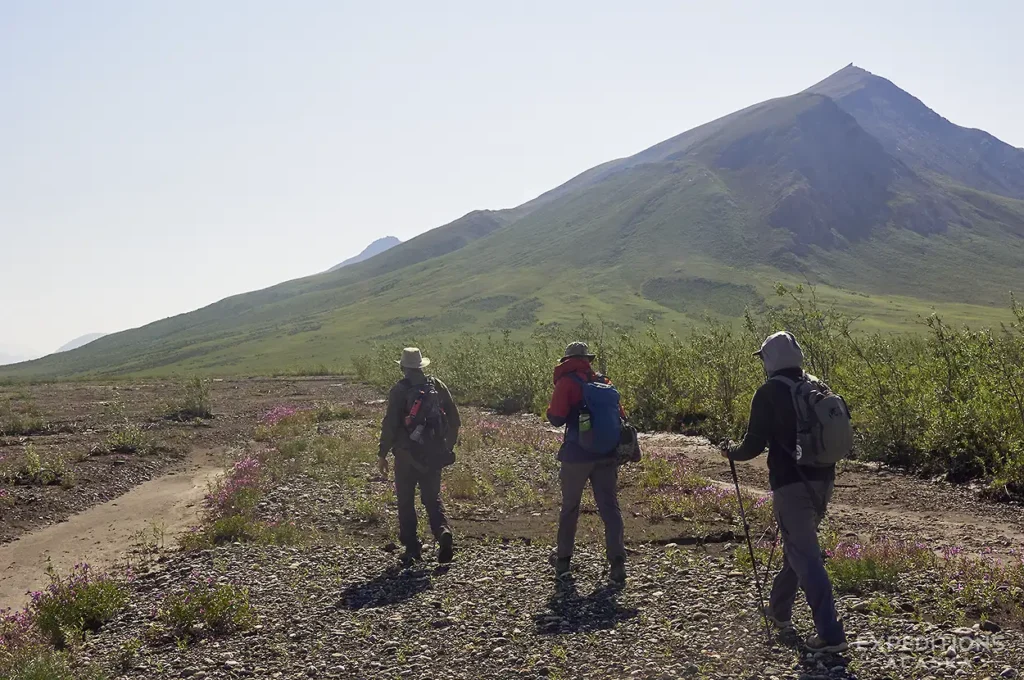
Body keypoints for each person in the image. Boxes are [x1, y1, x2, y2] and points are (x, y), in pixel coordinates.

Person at [723, 331, 848, 653]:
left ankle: (831, 635)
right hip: (824, 480)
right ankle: (779, 612)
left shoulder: (769, 392)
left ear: (770, 359)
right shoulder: (817, 386)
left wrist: (729, 452)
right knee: (798, 547)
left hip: (791, 484)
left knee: (804, 556)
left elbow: (752, 446)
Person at [546, 341, 626, 583]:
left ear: (567, 359)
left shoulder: (567, 382)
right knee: (610, 508)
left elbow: (557, 419)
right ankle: (617, 564)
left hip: (577, 455)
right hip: (607, 455)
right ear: (587, 359)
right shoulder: (604, 382)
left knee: (570, 508)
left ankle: (563, 563)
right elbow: (621, 416)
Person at [378, 347, 461, 565]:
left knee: (406, 501)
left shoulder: (399, 390)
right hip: (433, 453)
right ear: (421, 365)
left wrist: (382, 453)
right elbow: (454, 418)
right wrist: (447, 447)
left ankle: (412, 548)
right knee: (432, 498)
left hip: (406, 456)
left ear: (403, 367)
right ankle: (443, 532)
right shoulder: (437, 385)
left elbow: (390, 424)